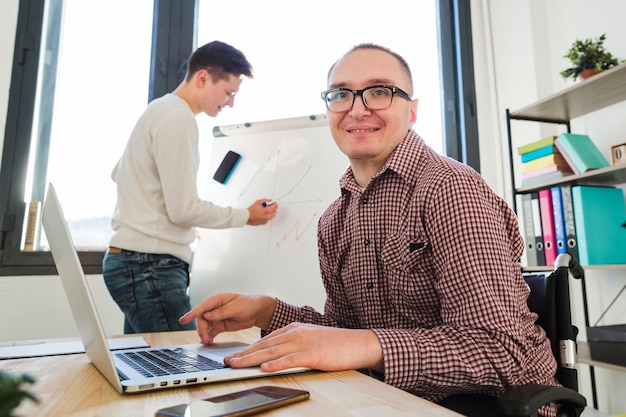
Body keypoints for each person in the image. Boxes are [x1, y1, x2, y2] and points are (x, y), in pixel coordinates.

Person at [179, 44, 560, 417]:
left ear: (412, 111)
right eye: (341, 94)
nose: (357, 109)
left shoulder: (449, 189)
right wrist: (268, 311)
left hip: (497, 407)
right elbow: (346, 332)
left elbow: (497, 352)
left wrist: (366, 344)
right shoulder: (335, 218)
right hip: (391, 399)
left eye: (379, 91)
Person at [104, 41, 278, 334]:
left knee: (144, 367)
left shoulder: (158, 109)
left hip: (134, 262)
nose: (230, 103)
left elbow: (118, 172)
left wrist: (162, 221)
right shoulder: (178, 117)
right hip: (149, 266)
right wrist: (246, 216)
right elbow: (183, 209)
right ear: (202, 78)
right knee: (178, 366)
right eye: (228, 92)